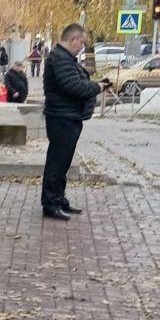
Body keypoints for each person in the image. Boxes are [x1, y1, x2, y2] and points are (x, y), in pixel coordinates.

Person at [41, 24, 110, 221]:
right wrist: (96, 86)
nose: (82, 47)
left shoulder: (64, 58)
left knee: (62, 162)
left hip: (67, 116)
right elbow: (72, 86)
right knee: (57, 162)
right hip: (61, 117)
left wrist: (94, 85)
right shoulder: (60, 58)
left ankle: (58, 200)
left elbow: (75, 82)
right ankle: (51, 204)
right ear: (73, 40)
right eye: (82, 43)